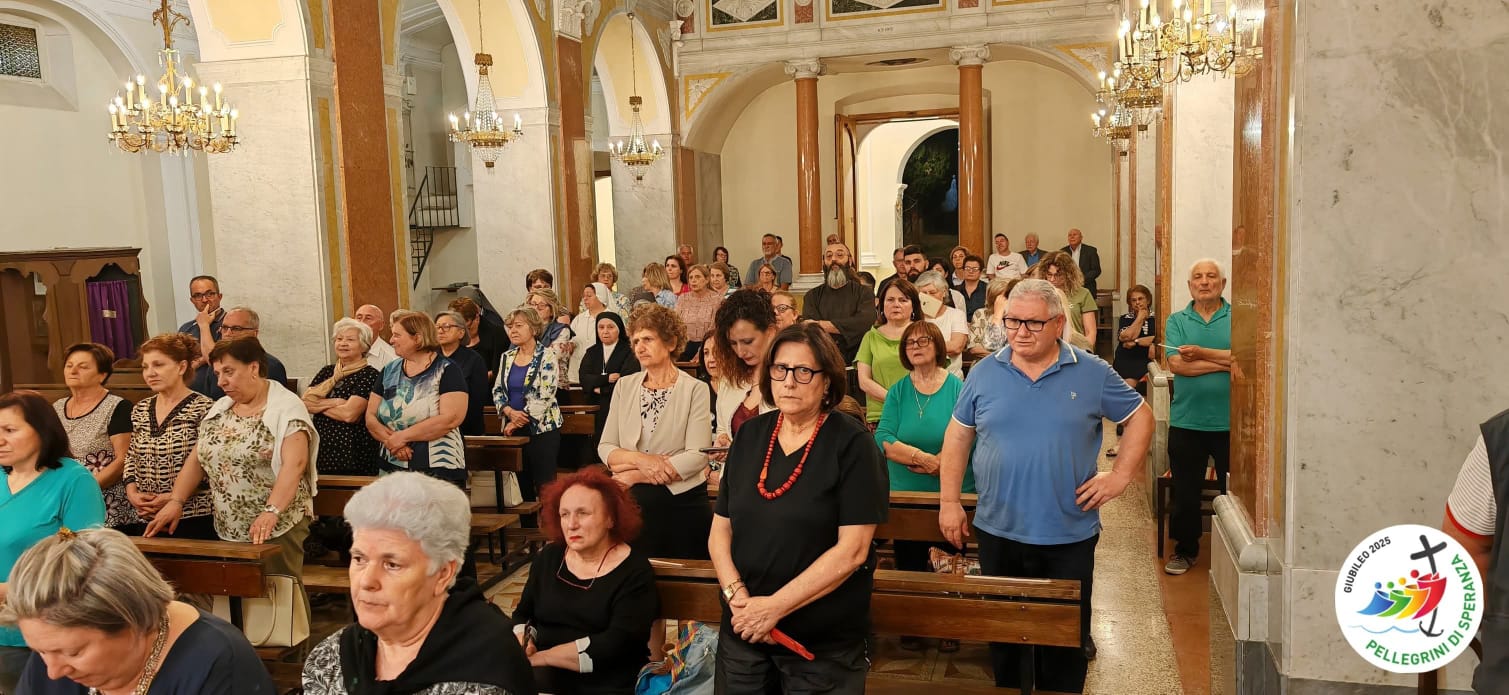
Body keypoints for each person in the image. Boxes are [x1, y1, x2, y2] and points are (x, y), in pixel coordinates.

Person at [938, 279, 1153, 692]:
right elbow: (959, 436)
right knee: (1004, 639)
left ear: (1057, 323)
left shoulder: (1090, 371)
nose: (1020, 332)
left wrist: (1120, 477)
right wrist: (949, 501)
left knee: (1064, 644)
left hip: (1067, 532)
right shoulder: (984, 372)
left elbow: (1140, 416)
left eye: (1033, 323)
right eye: (1012, 321)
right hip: (998, 529)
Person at [710, 324, 888, 692]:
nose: (789, 381)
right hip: (744, 632)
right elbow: (720, 531)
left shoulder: (853, 445)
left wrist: (773, 608)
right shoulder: (750, 435)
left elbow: (853, 551)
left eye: (803, 371)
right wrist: (737, 598)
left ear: (827, 381)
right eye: (780, 369)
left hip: (820, 646)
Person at [302, 472, 537, 695]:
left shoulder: (485, 669)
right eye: (359, 559)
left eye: (392, 564)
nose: (367, 581)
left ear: (443, 573)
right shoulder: (331, 657)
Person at [2, 528, 275, 695]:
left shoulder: (218, 664)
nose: (52, 672)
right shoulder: (53, 645)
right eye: (40, 651)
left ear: (134, 619)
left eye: (74, 653)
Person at [148, 338, 318, 587]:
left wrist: (271, 512)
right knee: (237, 594)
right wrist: (176, 501)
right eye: (218, 373)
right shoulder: (221, 407)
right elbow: (197, 458)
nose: (221, 382)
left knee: (279, 595)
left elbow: (295, 464)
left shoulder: (286, 407)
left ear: (253, 367)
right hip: (229, 523)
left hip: (277, 523)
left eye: (229, 371)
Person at [874, 321, 972, 653]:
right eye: (909, 343)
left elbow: (969, 433)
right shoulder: (899, 390)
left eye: (923, 341)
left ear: (938, 346)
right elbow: (883, 436)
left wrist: (942, 462)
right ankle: (912, 623)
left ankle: (950, 624)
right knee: (910, 559)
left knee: (951, 560)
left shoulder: (957, 387)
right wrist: (921, 458)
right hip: (906, 491)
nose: (915, 347)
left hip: (950, 490)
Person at [513, 468, 657, 694]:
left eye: (583, 513)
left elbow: (618, 643)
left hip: (607, 681)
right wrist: (525, 640)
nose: (571, 524)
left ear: (610, 518)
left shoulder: (634, 571)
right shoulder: (549, 557)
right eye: (564, 514)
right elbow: (523, 614)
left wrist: (543, 657)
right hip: (543, 676)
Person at [0, 391, 107, 691]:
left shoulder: (73, 480)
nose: (0, 440)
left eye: (9, 430)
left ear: (42, 430)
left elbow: (85, 561)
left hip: (44, 635)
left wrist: (8, 590)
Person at [598, 304, 713, 559]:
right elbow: (606, 447)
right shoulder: (624, 386)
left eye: (648, 339)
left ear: (671, 342)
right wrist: (641, 460)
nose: (640, 347)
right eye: (635, 341)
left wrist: (636, 474)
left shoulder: (695, 388)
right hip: (632, 505)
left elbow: (697, 456)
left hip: (682, 504)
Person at [1163, 259, 1233, 576]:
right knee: (1185, 494)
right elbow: (1177, 365)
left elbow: (1246, 358)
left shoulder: (1238, 318)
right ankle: (1185, 550)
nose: (1204, 282)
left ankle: (1232, 554)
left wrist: (1201, 353)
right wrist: (1225, 362)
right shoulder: (1177, 320)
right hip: (1187, 421)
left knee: (1235, 495)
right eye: (1198, 277)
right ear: (1190, 286)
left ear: (1223, 283)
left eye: (1211, 276)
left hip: (1231, 423)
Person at [120, 334, 218, 539]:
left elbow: (210, 464)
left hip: (193, 515)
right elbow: (131, 456)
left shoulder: (204, 407)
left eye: (158, 365)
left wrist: (173, 497)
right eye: (145, 367)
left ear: (181, 367)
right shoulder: (141, 408)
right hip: (145, 514)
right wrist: (132, 492)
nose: (150, 373)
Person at [365, 312, 469, 488]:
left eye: (397, 335)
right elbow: (371, 416)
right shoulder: (389, 370)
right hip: (392, 460)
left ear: (418, 338)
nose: (391, 340)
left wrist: (401, 437)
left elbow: (451, 418)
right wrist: (394, 443)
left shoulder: (447, 370)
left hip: (437, 464)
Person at [53, 343, 136, 529]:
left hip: (105, 502)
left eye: (83, 367)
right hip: (63, 498)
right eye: (69, 365)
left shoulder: (118, 407)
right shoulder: (57, 407)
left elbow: (123, 460)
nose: (73, 371)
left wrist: (84, 489)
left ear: (102, 375)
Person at [494, 308, 564, 502]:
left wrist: (517, 421)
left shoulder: (547, 355)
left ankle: (549, 522)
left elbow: (545, 394)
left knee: (545, 486)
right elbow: (498, 390)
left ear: (533, 329)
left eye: (518, 326)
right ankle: (527, 522)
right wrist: (508, 411)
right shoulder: (507, 357)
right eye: (510, 327)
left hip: (542, 429)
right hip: (512, 429)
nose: (513, 331)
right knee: (521, 487)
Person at [303, 319, 382, 475]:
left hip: (353, 455)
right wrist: (336, 402)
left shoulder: (370, 375)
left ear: (364, 345)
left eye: (350, 340)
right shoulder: (327, 372)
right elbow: (304, 403)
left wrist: (318, 405)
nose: (343, 343)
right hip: (322, 452)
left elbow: (349, 414)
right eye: (339, 339)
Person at [709, 290, 778, 446]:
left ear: (771, 332)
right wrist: (723, 441)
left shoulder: (789, 378)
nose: (740, 352)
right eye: (733, 343)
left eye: (747, 341)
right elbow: (722, 429)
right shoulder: (729, 378)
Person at [857, 279, 922, 426]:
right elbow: (864, 381)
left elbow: (935, 375)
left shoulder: (924, 335)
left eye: (903, 300)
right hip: (881, 415)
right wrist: (895, 400)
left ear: (914, 306)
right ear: (881, 305)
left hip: (918, 411)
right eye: (890, 300)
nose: (896, 305)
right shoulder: (870, 337)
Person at [801, 242, 876, 364]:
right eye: (829, 256)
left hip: (857, 360)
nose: (834, 259)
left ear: (850, 261)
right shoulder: (812, 296)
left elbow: (864, 324)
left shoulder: (864, 293)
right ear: (823, 262)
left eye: (840, 255)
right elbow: (811, 329)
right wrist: (846, 326)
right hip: (823, 359)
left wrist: (820, 324)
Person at [189, 307, 289, 399]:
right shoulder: (217, 366)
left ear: (254, 333)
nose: (228, 333)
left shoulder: (270, 366)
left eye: (236, 329)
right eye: (224, 328)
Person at [578, 312, 640, 446]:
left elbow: (628, 379)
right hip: (596, 405)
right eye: (601, 327)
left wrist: (602, 390)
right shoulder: (592, 352)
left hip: (619, 404)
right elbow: (584, 377)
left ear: (619, 329)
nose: (605, 331)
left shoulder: (629, 351)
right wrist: (606, 378)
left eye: (610, 327)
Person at [435, 311, 491, 436]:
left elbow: (477, 401)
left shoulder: (474, 360)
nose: (440, 331)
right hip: (433, 428)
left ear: (461, 332)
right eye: (437, 327)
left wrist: (451, 423)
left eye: (446, 327)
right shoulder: (431, 358)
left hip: (466, 429)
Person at [1032, 251, 1098, 351]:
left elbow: (1090, 332)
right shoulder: (1040, 294)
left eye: (1058, 275)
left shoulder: (1083, 294)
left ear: (1069, 275)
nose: (1052, 279)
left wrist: (1087, 351)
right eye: (1049, 275)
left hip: (1076, 348)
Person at [914, 271, 970, 378]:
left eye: (932, 292)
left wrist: (922, 346)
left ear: (943, 292)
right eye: (924, 293)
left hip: (952, 378)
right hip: (920, 377)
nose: (928, 297)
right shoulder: (914, 317)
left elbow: (956, 347)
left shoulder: (956, 315)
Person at [449, 296, 507, 382]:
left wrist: (469, 380)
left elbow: (498, 371)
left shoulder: (497, 334)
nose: (463, 333)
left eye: (468, 328)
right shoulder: (451, 333)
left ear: (477, 318)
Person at [1113, 285, 1157, 392]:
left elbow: (1157, 338)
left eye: (1140, 299)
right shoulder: (1125, 318)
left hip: (1146, 359)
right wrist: (1140, 317)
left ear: (1148, 300)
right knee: (1128, 388)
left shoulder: (1156, 319)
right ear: (1130, 303)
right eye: (1133, 300)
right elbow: (1127, 336)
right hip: (1127, 359)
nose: (1137, 302)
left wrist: (1136, 341)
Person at [676, 264, 721, 361]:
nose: (693, 280)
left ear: (707, 279)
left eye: (697, 277)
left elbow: (714, 327)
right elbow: (676, 324)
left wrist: (702, 350)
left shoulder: (717, 299)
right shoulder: (682, 299)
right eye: (691, 277)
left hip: (708, 345)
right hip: (684, 347)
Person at [569, 283, 612, 383]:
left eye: (589, 295)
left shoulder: (611, 317)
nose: (585, 299)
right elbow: (571, 340)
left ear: (600, 296)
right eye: (584, 296)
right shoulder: (579, 319)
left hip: (600, 371)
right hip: (577, 370)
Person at [179, 275, 226, 364]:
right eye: (198, 296)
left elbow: (217, 360)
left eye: (210, 294)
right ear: (192, 300)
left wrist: (204, 326)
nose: (204, 300)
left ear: (219, 296)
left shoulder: (231, 324)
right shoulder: (186, 328)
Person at [967, 278, 1017, 358]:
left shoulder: (1017, 317)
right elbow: (974, 349)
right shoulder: (980, 314)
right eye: (1004, 298)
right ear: (993, 299)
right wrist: (1003, 356)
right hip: (984, 362)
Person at [354, 304, 399, 370]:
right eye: (359, 318)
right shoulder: (345, 350)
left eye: (368, 318)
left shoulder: (392, 359)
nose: (362, 322)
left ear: (381, 325)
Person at [1062, 228, 1102, 295]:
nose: (1072, 237)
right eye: (1070, 235)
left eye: (1075, 234)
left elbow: (1096, 270)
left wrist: (1081, 280)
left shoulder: (1091, 251)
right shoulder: (1063, 252)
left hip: (1087, 287)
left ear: (1081, 237)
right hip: (1068, 289)